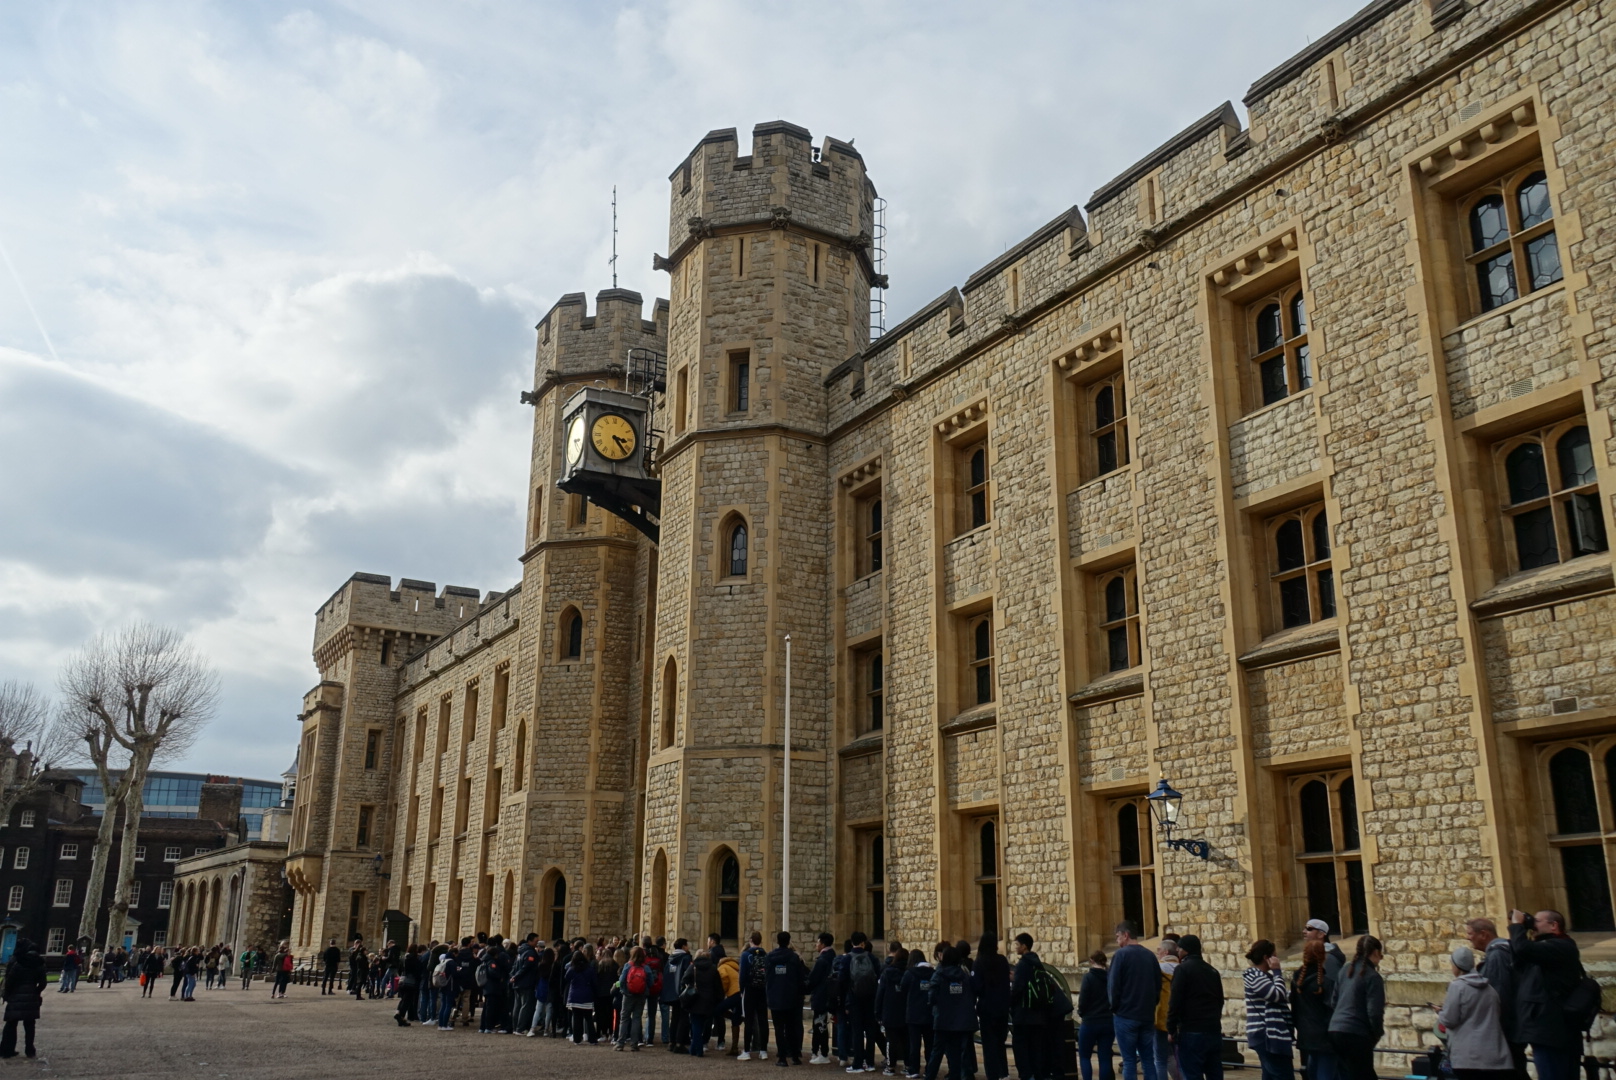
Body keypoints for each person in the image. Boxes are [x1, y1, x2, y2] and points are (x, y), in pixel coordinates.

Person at [1507, 909, 1580, 1080]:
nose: (1533, 924)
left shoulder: (1562, 946)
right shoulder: (1543, 950)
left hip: (1553, 1032)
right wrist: (1522, 928)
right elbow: (1519, 958)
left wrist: (1518, 926)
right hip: (1547, 1031)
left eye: (1537, 921)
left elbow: (1524, 950)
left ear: (1554, 926)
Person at [1438, 946, 1514, 1080]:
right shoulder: (1489, 988)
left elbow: (1450, 1020)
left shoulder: (1457, 987)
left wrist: (1440, 1013)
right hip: (1495, 1054)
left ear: (1457, 965)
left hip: (1468, 1057)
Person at [1464, 918, 1520, 1078]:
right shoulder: (1501, 952)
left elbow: (1497, 993)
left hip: (1504, 1030)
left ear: (1483, 934)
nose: (1468, 938)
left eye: (1470, 934)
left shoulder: (1497, 956)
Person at [1327, 935, 1385, 1080]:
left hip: (1335, 1029)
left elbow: (1334, 1001)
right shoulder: (1373, 976)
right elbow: (1374, 1012)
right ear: (1376, 953)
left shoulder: (1346, 970)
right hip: (1356, 1032)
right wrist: (1376, 1034)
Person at [1109, 924, 1162, 1080]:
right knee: (1148, 1060)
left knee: (1129, 1061)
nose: (1117, 941)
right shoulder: (1150, 956)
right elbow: (1158, 985)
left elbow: (1113, 986)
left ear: (1125, 935)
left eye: (1118, 937)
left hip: (1126, 1015)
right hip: (1146, 1015)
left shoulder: (1120, 955)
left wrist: (1115, 1007)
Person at [1167, 935, 1222, 1080]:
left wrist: (1171, 1028)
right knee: (1215, 1074)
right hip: (1213, 1029)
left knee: (1192, 1074)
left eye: (1180, 947)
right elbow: (1220, 1000)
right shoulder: (1212, 971)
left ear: (1186, 950)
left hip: (1191, 1030)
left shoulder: (1182, 970)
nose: (1177, 950)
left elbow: (1175, 1001)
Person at [1243, 940, 1292, 1080]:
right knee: (1282, 1075)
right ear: (1266, 957)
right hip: (1265, 1034)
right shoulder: (1253, 975)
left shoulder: (1266, 977)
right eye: (1274, 955)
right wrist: (1277, 971)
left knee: (1270, 1075)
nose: (1277, 958)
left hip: (1271, 1035)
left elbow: (1286, 995)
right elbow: (1277, 995)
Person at [927, 946, 977, 1080]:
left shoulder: (939, 974)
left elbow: (931, 997)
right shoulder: (964, 975)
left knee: (937, 1052)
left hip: (943, 1019)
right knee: (958, 1053)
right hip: (961, 1020)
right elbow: (971, 996)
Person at [1291, 941, 1337, 1080]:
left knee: (1312, 1071)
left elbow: (1295, 1010)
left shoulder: (1297, 982)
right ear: (1323, 956)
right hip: (1324, 1036)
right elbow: (1331, 1011)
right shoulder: (1326, 982)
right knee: (1325, 1072)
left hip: (1305, 1034)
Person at [1011, 933, 1052, 1080]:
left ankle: (1027, 1075)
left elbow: (1017, 989)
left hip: (1024, 1014)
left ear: (1024, 946)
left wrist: (1011, 1004)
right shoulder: (1037, 963)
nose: (1015, 947)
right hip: (1038, 1014)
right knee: (1036, 1048)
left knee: (1021, 1048)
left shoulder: (1023, 964)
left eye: (1017, 944)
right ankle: (1037, 1074)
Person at [767, 931, 810, 1066]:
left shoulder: (769, 958)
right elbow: (800, 977)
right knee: (792, 1028)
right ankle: (795, 1056)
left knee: (779, 1029)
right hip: (791, 997)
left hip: (775, 997)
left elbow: (767, 977)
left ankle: (782, 1058)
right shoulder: (793, 958)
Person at [0, 936, 47, 1059]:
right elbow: (43, 983)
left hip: (15, 995)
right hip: (31, 996)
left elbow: (10, 981)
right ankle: (29, 1050)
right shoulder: (39, 964)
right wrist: (36, 992)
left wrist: (8, 994)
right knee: (30, 1025)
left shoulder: (18, 963)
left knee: (11, 1024)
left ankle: (6, 1050)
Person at [973, 935, 1010, 1080]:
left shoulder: (980, 962)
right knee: (1000, 1042)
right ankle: (1003, 1072)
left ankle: (992, 1074)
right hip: (1002, 1008)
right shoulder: (1002, 960)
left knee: (989, 1044)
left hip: (986, 1008)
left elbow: (976, 986)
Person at [845, 931, 882, 1073]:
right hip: (870, 999)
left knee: (857, 1032)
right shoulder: (872, 958)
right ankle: (870, 1063)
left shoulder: (847, 958)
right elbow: (878, 976)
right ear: (864, 942)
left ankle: (858, 1063)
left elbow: (843, 980)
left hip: (854, 1000)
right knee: (870, 1032)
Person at [1078, 951, 1115, 1080]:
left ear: (1091, 961)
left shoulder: (1088, 977)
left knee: (1084, 1056)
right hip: (1108, 1021)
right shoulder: (1111, 977)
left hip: (1090, 1021)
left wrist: (1081, 1013)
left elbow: (1083, 1001)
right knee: (1104, 1057)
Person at [902, 944, 936, 1079]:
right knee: (930, 1044)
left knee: (914, 1044)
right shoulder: (933, 973)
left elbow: (903, 990)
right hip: (929, 1013)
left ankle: (914, 1069)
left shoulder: (909, 974)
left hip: (914, 1014)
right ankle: (929, 1069)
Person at [879, 944, 912, 1077]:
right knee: (906, 1040)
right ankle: (908, 1065)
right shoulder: (909, 973)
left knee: (891, 1041)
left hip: (890, 1010)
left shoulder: (887, 972)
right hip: (906, 1011)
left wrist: (878, 1011)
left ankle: (891, 1066)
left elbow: (880, 993)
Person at [688, 949, 727, 1057]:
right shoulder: (713, 969)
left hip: (695, 999)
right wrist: (719, 1000)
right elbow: (718, 987)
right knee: (704, 1024)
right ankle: (693, 1049)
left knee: (696, 1024)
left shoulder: (693, 967)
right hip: (709, 1001)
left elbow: (684, 980)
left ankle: (698, 1049)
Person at [740, 931, 772, 1060]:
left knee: (749, 1021)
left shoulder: (746, 955)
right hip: (763, 990)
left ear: (750, 941)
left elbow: (742, 975)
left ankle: (746, 1051)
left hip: (750, 989)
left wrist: (742, 990)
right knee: (763, 1020)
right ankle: (763, 1050)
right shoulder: (766, 955)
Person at [809, 932, 838, 1065]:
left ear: (823, 944)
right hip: (828, 996)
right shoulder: (833, 957)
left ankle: (822, 1052)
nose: (816, 944)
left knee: (819, 1026)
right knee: (822, 1025)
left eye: (818, 942)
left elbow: (813, 979)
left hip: (821, 996)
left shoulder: (822, 960)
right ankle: (820, 1051)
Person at [618, 945, 653, 1051]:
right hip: (641, 996)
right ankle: (634, 1044)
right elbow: (651, 982)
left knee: (624, 1019)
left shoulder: (628, 965)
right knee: (637, 1019)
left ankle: (620, 1043)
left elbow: (622, 980)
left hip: (628, 995)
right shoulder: (645, 967)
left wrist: (624, 991)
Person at [1154, 939, 1181, 1080]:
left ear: (1165, 952)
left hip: (1161, 1016)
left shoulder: (1158, 968)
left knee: (1160, 1059)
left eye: (1158, 950)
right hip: (1181, 1018)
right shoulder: (1183, 968)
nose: (1157, 953)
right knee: (1177, 1057)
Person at [665, 938, 693, 1050]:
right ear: (683, 946)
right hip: (682, 992)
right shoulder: (686, 958)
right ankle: (680, 1043)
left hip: (671, 992)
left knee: (675, 1017)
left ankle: (672, 1042)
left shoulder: (670, 958)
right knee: (683, 1017)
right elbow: (689, 974)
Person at [566, 948, 597, 1043]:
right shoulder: (589, 969)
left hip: (575, 996)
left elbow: (566, 978)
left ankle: (577, 1039)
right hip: (587, 995)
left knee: (576, 1019)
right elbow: (594, 982)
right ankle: (592, 1039)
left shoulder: (572, 969)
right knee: (589, 1019)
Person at [394, 944, 423, 1026]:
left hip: (402, 979)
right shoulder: (414, 959)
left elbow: (399, 969)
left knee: (403, 999)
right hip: (411, 981)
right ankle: (400, 1016)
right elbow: (417, 971)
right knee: (407, 1000)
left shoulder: (403, 958)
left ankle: (399, 1015)